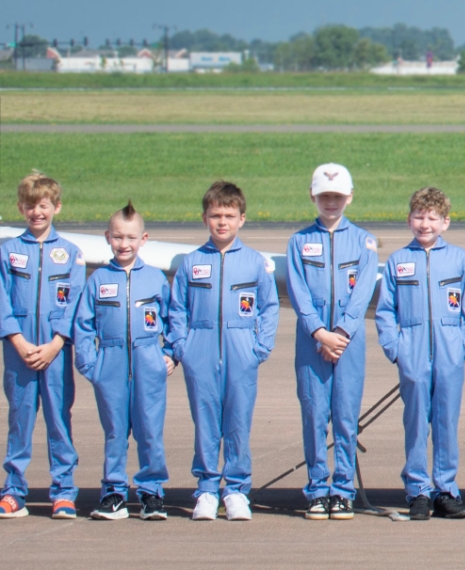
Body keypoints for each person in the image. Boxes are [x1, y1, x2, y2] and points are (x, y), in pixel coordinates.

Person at [166, 180, 278, 521]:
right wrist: (182, 346)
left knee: (238, 422)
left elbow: (269, 307)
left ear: (242, 218)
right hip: (199, 350)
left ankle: (236, 490)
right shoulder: (191, 262)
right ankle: (206, 489)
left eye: (229, 216)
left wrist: (259, 347)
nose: (222, 222)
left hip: (241, 349)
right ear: (205, 218)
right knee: (205, 423)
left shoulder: (255, 262)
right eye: (215, 216)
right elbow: (177, 308)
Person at [374, 187, 465, 521]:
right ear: (409, 220)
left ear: (445, 222)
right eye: (419, 217)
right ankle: (418, 490)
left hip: (449, 353)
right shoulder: (398, 261)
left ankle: (446, 489)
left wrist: (464, 346)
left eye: (432, 218)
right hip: (413, 352)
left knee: (446, 422)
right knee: (416, 423)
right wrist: (396, 349)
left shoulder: (459, 259)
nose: (425, 224)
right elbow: (385, 311)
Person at [285, 163, 379, 521]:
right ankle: (317, 488)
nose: (331, 202)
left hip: (348, 342)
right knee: (314, 415)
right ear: (313, 196)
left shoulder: (365, 242)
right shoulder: (299, 242)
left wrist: (341, 333)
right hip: (312, 341)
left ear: (349, 197)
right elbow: (297, 291)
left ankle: (342, 490)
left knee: (345, 417)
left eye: (337, 196)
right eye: (324, 196)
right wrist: (319, 332)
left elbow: (363, 291)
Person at [70, 203, 175, 521]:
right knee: (115, 432)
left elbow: (173, 319)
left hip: (148, 363)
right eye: (118, 237)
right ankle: (114, 492)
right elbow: (83, 325)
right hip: (110, 364)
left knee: (149, 431)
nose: (124, 244)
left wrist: (170, 354)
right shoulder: (98, 279)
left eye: (130, 237)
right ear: (107, 237)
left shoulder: (155, 278)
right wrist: (91, 365)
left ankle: (151, 492)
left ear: (144, 239)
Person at [1, 171, 83, 519]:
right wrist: (17, 341)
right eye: (30, 206)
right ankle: (13, 490)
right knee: (19, 419)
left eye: (44, 206)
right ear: (21, 208)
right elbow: (2, 300)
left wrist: (56, 343)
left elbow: (75, 302)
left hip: (55, 351)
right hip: (18, 351)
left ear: (56, 207)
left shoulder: (71, 254)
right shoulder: (8, 252)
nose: (37, 212)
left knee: (58, 420)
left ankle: (63, 491)